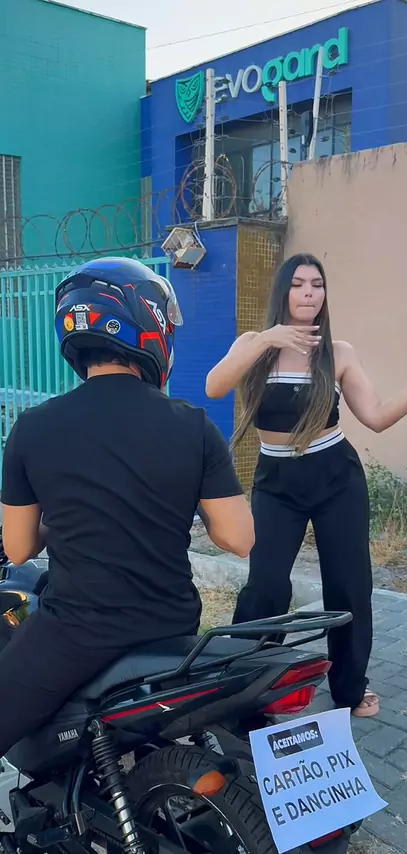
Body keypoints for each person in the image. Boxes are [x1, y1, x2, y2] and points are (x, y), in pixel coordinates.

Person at [205, 253, 407, 718]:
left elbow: (377, 417)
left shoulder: (339, 353)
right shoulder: (253, 345)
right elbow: (214, 386)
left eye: (317, 284)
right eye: (299, 284)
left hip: (336, 478)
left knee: (349, 586)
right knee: (265, 585)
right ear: (283, 291)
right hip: (276, 481)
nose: (309, 293)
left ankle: (350, 688)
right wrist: (268, 338)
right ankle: (250, 685)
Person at [0, 256, 254, 757]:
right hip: (172, 624)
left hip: (76, 633)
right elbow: (239, 538)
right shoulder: (193, 425)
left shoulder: (32, 428)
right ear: (150, 327)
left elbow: (20, 547)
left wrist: (64, 518)